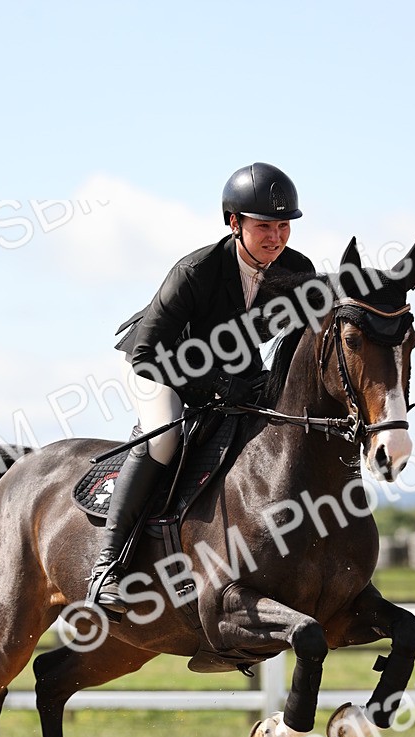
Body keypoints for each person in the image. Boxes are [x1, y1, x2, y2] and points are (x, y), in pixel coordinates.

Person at [85, 161, 316, 613]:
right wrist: (213, 383)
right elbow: (147, 353)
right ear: (235, 223)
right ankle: (107, 566)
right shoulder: (196, 271)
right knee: (166, 440)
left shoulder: (296, 271)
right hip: (162, 366)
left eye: (284, 226)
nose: (276, 237)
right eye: (264, 226)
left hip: (234, 374)